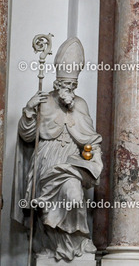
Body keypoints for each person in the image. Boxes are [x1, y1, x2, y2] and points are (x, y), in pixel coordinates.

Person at [12, 37, 103, 262]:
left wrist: (94, 157)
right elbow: (27, 135)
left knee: (74, 197)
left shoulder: (80, 104)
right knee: (47, 208)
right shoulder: (43, 101)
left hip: (70, 161)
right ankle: (52, 247)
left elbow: (90, 138)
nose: (68, 90)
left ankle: (78, 242)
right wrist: (29, 110)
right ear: (57, 83)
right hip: (46, 160)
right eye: (65, 85)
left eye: (72, 86)